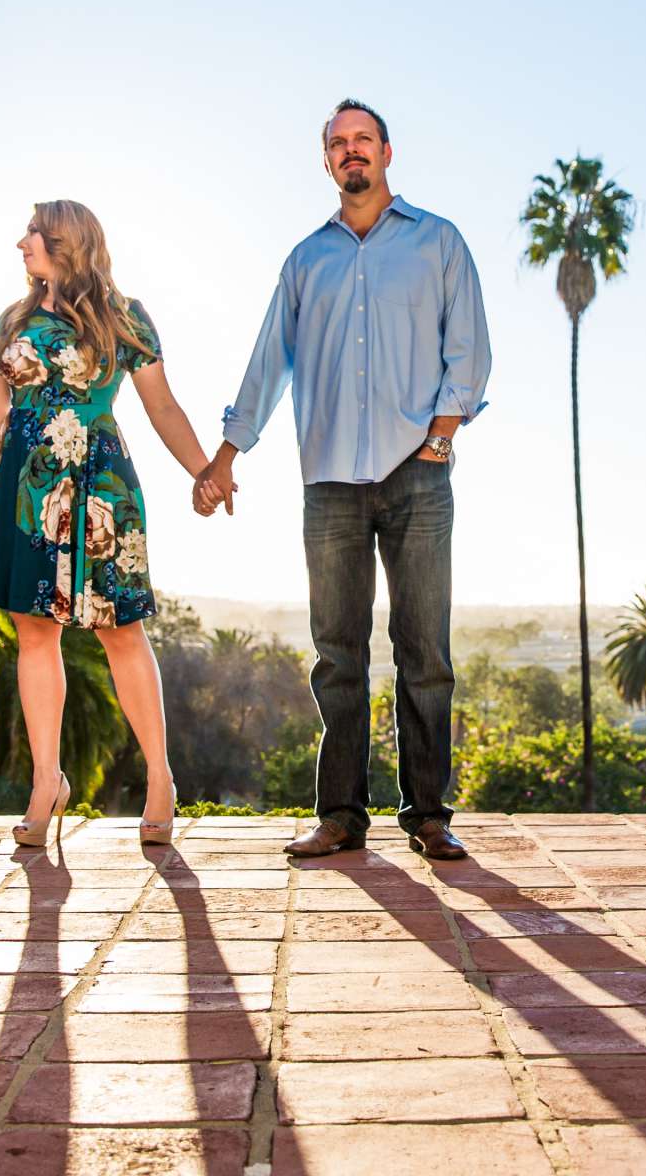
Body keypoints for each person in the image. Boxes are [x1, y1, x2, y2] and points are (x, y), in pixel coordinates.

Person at [196, 100, 491, 861]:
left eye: (363, 140)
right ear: (325, 161)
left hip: (417, 475)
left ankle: (429, 816)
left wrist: (441, 436)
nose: (351, 152)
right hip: (328, 480)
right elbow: (270, 362)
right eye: (338, 143)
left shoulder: (438, 244)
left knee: (424, 650)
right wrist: (228, 453)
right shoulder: (306, 262)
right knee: (338, 653)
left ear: (387, 152)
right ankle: (340, 817)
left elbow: (469, 348)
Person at [0, 199, 218, 850]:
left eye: (33, 234)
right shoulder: (12, 323)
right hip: (22, 488)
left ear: (65, 243)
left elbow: (163, 407)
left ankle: (161, 778)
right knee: (33, 631)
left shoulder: (127, 319)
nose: (21, 243)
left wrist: (204, 471)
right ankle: (47, 781)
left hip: (102, 486)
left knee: (120, 630)